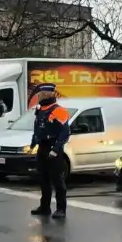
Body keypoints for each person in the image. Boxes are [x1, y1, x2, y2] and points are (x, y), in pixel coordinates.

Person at [29, 83, 71, 218]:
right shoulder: (40, 109)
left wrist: (56, 149)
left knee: (57, 181)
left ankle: (61, 209)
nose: (40, 96)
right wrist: (33, 143)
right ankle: (45, 207)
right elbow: (38, 129)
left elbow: (64, 133)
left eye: (42, 94)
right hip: (42, 147)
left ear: (49, 94)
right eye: (40, 94)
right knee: (43, 179)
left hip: (54, 149)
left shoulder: (59, 110)